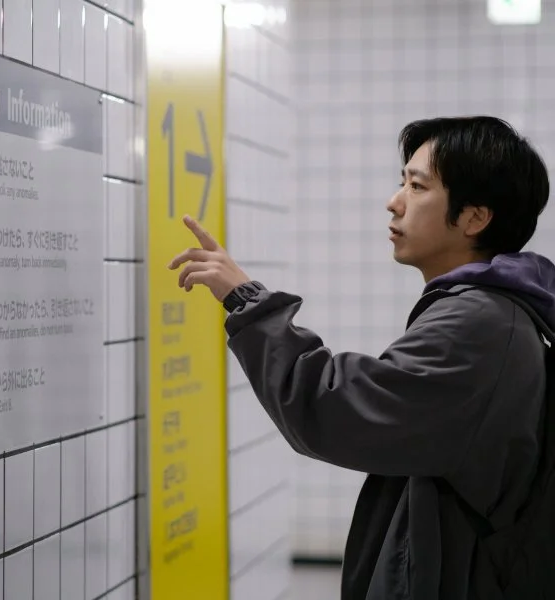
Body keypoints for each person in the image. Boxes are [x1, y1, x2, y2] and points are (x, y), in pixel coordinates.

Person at [168, 116, 555, 599]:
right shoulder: (494, 312)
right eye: (402, 182)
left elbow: (333, 407)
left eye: (417, 186)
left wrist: (246, 301)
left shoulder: (479, 324)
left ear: (475, 218)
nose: (395, 201)